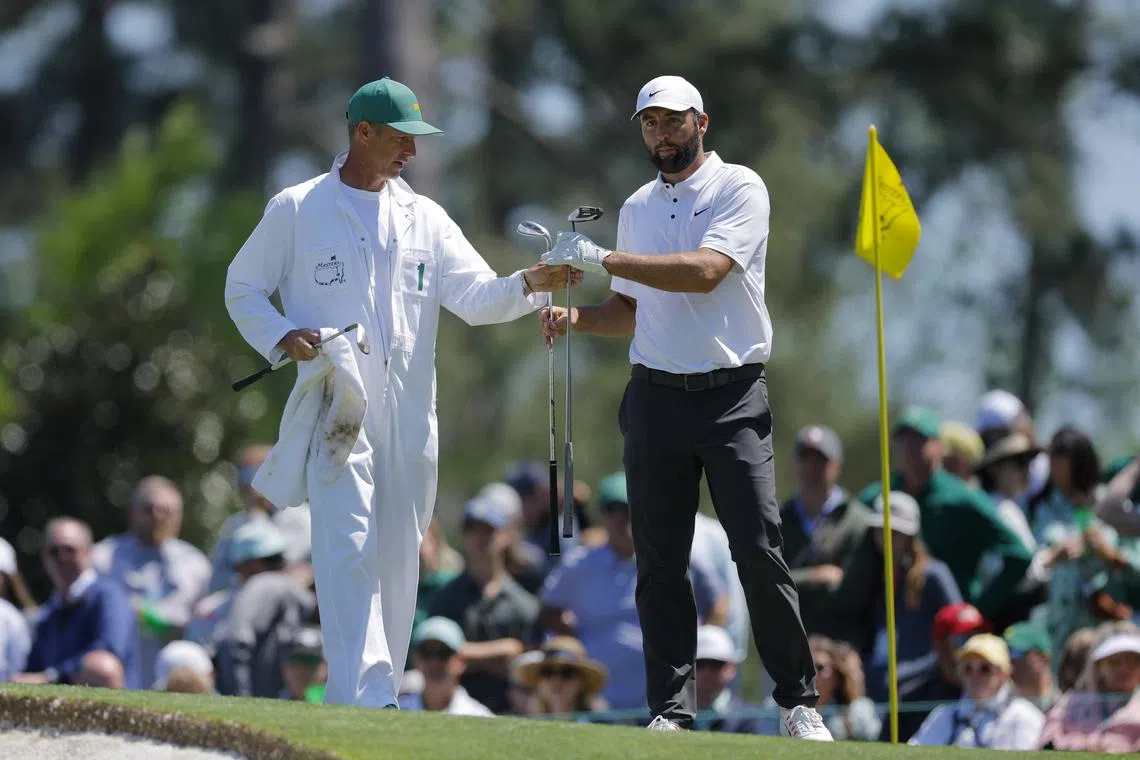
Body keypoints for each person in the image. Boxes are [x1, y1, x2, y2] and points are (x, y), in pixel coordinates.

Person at [224, 76, 577, 709]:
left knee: (397, 555)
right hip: (339, 403)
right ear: (362, 133)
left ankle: (376, 698)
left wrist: (532, 282)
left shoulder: (426, 217)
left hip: (411, 419)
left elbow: (473, 298)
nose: (410, 153)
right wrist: (282, 337)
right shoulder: (298, 208)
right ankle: (366, 690)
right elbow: (242, 287)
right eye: (399, 138)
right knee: (346, 544)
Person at [538, 74, 830, 740]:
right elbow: (630, 310)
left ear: (702, 121)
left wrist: (603, 255)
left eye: (673, 121)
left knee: (757, 548)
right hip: (655, 398)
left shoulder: (740, 188)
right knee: (659, 563)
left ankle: (797, 700)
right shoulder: (637, 206)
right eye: (650, 124)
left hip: (731, 396)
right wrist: (574, 317)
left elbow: (704, 273)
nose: (662, 134)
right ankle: (671, 711)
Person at [15, 518, 138, 687]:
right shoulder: (49, 612)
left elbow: (110, 649)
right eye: (54, 551)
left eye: (69, 550)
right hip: (57, 703)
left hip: (110, 704)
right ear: (44, 558)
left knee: (101, 666)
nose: (62, 558)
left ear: (88, 553)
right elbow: (33, 668)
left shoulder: (109, 596)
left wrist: (53, 676)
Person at [909, 633, 1045, 749]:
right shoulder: (944, 714)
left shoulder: (1025, 716)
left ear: (1003, 674)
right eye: (968, 668)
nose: (975, 676)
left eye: (985, 668)